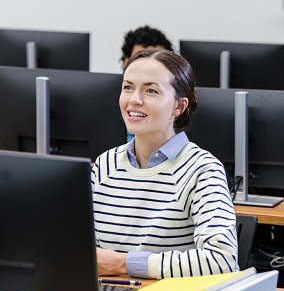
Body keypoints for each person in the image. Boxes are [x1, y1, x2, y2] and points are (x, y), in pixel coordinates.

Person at [92, 48, 238, 279]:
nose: (134, 100)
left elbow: (222, 260)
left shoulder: (202, 170)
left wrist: (125, 264)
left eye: (151, 90)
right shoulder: (105, 164)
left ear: (178, 107)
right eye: (128, 87)